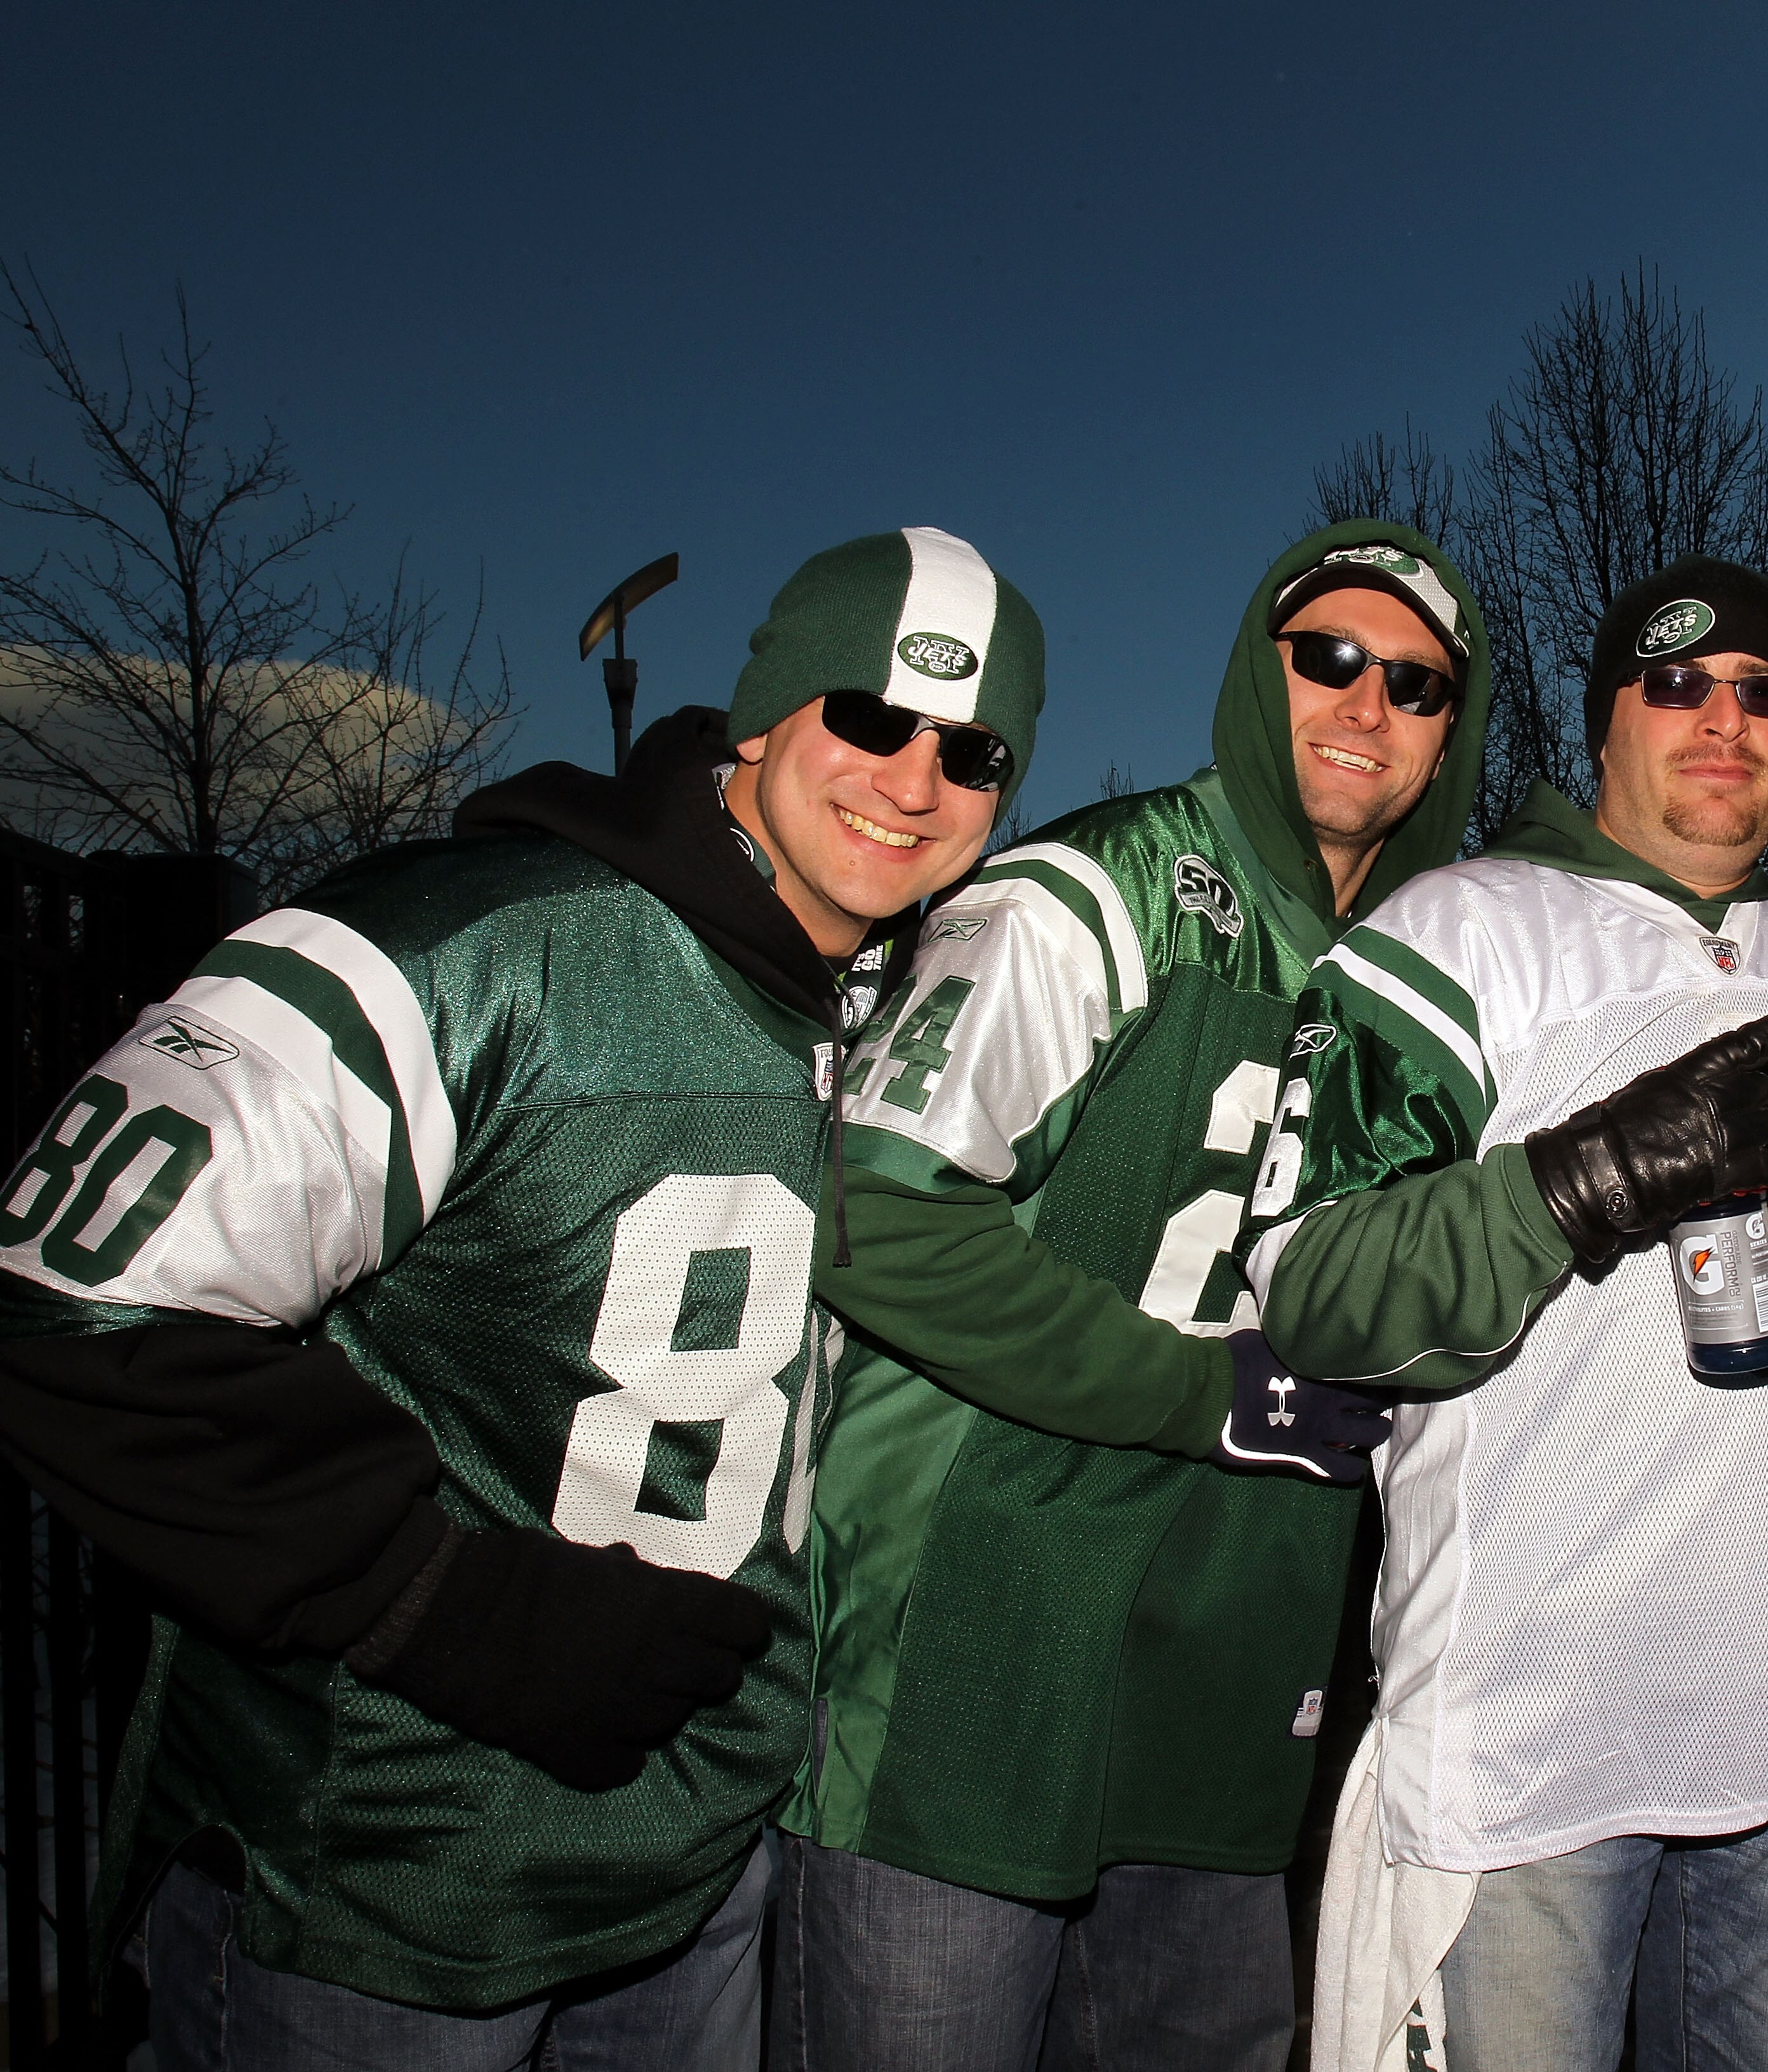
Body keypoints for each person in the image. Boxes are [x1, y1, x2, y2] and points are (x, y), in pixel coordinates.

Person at [0, 526, 1036, 2068]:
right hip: (387, 1902)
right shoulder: (476, 944)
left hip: (692, 1881)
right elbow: (62, 1303)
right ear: (761, 720)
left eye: (973, 752)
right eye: (872, 719)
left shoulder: (875, 1010)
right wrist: (444, 1603)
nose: (913, 781)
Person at [768, 522, 1487, 2068]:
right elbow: (876, 1223)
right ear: (1257, 672)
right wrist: (1200, 1392)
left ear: (1451, 735)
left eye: (1415, 685)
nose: (1366, 706)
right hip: (973, 1665)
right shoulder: (1091, 896)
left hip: (1227, 1677)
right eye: (1329, 660)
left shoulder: (1438, 969)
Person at [1244, 557, 1768, 2072]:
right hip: (1539, 1727)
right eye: (1674, 684)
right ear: (1602, 720)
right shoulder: (1455, 928)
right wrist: (1577, 1181)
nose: (1722, 719)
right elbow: (1312, 1291)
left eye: (1766, 690)